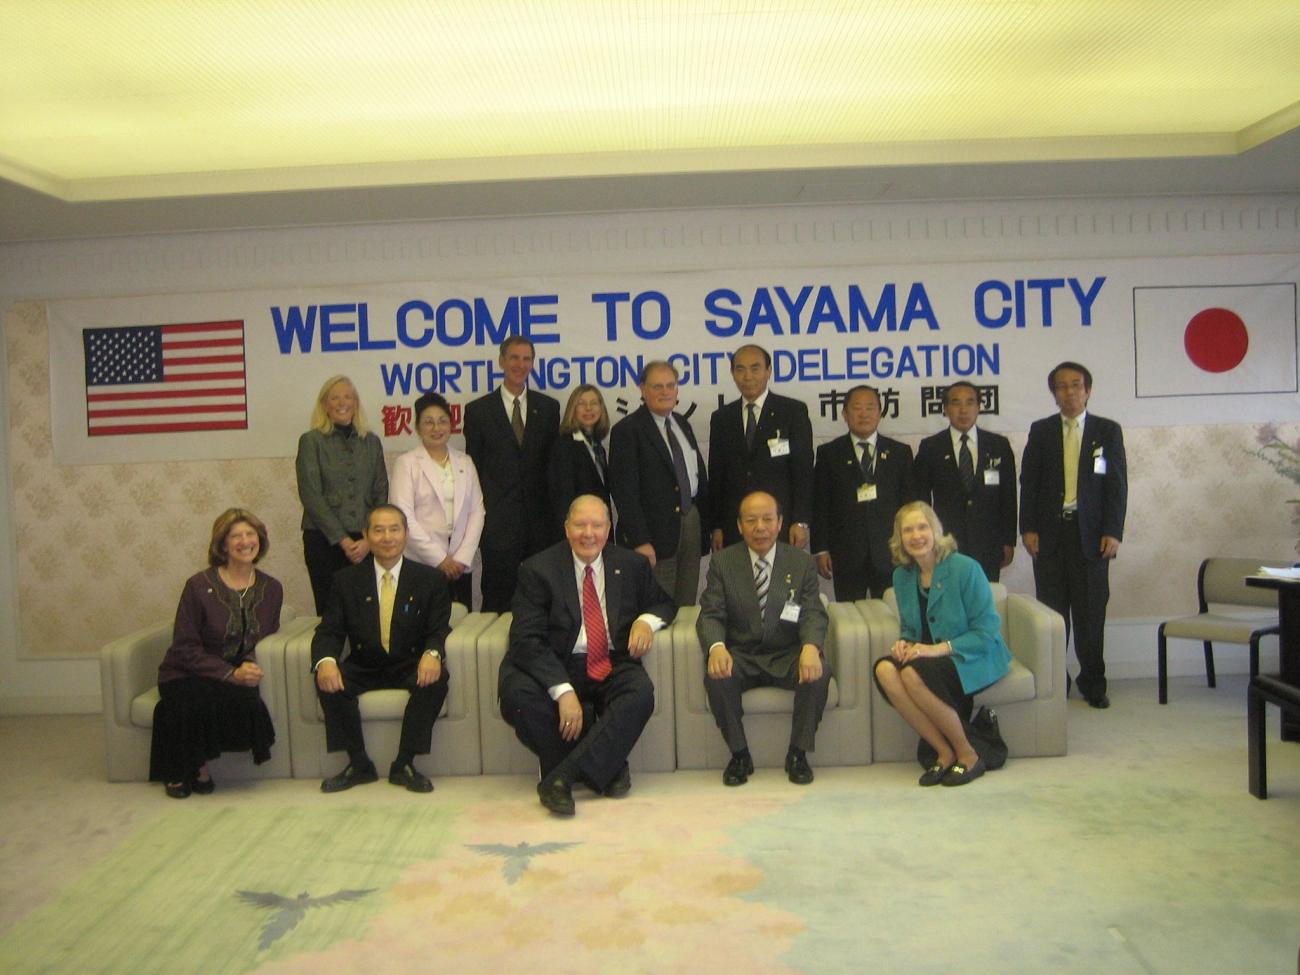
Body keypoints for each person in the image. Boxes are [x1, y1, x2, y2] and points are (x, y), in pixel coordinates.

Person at [498, 495, 675, 816]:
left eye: (597, 525)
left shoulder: (631, 564)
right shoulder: (537, 569)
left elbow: (664, 603)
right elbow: (525, 639)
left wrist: (645, 622)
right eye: (580, 525)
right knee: (516, 695)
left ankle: (560, 777)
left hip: (610, 659)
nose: (588, 533)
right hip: (557, 660)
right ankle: (610, 765)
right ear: (567, 528)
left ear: (608, 529)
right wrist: (562, 690)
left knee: (640, 693)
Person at [311, 504, 452, 794]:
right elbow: (329, 630)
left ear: (406, 534)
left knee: (436, 680)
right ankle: (359, 764)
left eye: (394, 529)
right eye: (378, 530)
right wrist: (325, 660)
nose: (387, 537)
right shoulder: (345, 580)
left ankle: (405, 763)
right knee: (328, 680)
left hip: (409, 661)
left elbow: (438, 628)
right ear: (366, 535)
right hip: (364, 662)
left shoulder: (430, 579)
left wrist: (433, 654)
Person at [873, 502, 1012, 787]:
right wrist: (904, 643)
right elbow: (912, 628)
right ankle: (944, 751)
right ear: (899, 538)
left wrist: (938, 649)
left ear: (936, 530)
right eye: (907, 530)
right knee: (885, 670)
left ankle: (968, 754)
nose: (916, 536)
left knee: (911, 673)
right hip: (928, 657)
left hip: (972, 654)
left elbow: (987, 630)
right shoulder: (902, 576)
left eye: (922, 527)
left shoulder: (965, 568)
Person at [697, 491, 830, 787]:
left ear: (780, 523)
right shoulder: (722, 562)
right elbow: (710, 613)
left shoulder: (800, 562)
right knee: (716, 674)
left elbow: (812, 612)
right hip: (741, 654)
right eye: (751, 520)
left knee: (819, 672)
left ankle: (797, 754)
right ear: (739, 525)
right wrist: (716, 647)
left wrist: (811, 647)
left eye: (768, 519)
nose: (760, 527)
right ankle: (740, 755)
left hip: (787, 653)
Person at [149, 508, 283, 798]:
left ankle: (189, 761)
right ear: (223, 545)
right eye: (236, 536)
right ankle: (192, 767)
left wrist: (247, 667)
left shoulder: (272, 588)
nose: (245, 541)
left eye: (251, 534)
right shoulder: (198, 586)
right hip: (185, 669)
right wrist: (229, 673)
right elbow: (184, 645)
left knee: (242, 700)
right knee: (193, 699)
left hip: (235, 667)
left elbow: (266, 638)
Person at [1020, 361, 1127, 709]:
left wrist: (1113, 531)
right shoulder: (1041, 430)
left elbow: (1116, 486)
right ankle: (1056, 681)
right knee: (1053, 615)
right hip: (1050, 536)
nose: (1070, 392)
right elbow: (1030, 484)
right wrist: (1029, 529)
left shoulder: (1107, 431)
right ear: (1053, 394)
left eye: (1076, 385)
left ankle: (1093, 682)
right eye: (1062, 387)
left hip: (1092, 537)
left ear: (1088, 390)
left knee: (1091, 613)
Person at [463, 336, 560, 611]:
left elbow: (552, 468)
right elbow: (475, 472)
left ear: (532, 364)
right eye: (514, 358)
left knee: (544, 596)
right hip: (498, 525)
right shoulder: (478, 411)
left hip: (542, 525)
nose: (520, 364)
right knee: (497, 597)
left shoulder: (549, 408)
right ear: (501, 361)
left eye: (526, 359)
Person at [608, 360, 709, 607]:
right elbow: (624, 492)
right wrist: (640, 540)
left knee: (686, 602)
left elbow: (695, 474)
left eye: (670, 385)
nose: (665, 392)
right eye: (657, 386)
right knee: (658, 606)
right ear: (643, 389)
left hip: (690, 524)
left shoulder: (681, 423)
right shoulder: (627, 430)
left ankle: (681, 646)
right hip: (652, 534)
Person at [296, 375, 389, 615]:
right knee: (331, 614)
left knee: (368, 614)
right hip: (324, 542)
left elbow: (380, 492)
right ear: (324, 405)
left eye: (348, 397)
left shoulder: (371, 442)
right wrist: (344, 541)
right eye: (334, 398)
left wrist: (370, 539)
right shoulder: (311, 441)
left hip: (366, 542)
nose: (342, 402)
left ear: (356, 403)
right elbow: (311, 496)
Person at [812, 385, 916, 600]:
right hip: (846, 553)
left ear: (880, 413)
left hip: (891, 552)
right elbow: (820, 504)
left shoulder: (900, 453)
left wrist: (910, 543)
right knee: (851, 619)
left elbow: (910, 505)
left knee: (893, 614)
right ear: (844, 414)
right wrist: (821, 549)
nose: (864, 414)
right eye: (857, 408)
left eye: (870, 407)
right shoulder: (829, 454)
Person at [707, 344, 814, 551]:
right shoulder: (721, 418)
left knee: (780, 582)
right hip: (735, 526)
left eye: (755, 368)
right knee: (737, 582)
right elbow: (717, 476)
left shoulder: (792, 412)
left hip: (780, 523)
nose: (748, 376)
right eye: (740, 369)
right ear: (732, 373)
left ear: (769, 371)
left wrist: (800, 521)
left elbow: (803, 472)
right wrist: (717, 525)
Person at [913, 381, 1017, 582]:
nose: (963, 409)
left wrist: (1007, 540)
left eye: (970, 402)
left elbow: (1009, 497)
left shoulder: (998, 445)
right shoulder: (930, 447)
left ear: (979, 407)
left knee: (986, 601)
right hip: (945, 542)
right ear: (945, 409)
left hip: (988, 541)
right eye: (955, 403)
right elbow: (921, 499)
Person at [390, 391, 485, 609]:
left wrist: (461, 557)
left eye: (442, 421)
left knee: (461, 632)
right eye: (429, 422)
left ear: (451, 425)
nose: (436, 428)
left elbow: (477, 511)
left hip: (460, 565)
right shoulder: (407, 463)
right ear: (417, 427)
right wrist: (440, 560)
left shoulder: (465, 461)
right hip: (421, 563)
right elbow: (403, 516)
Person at [548, 384, 613, 534]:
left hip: (599, 530)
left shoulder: (598, 447)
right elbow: (563, 498)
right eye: (581, 404)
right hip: (580, 534)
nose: (588, 408)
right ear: (572, 409)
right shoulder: (564, 446)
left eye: (594, 403)